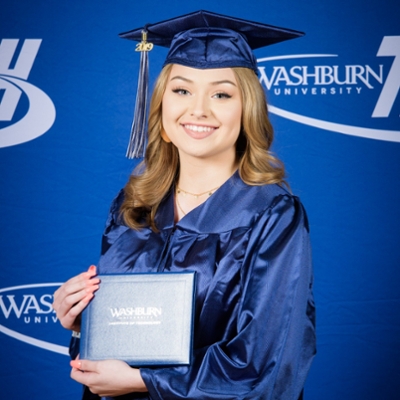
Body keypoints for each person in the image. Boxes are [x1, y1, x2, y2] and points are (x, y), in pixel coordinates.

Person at [52, 10, 316, 400]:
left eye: (222, 94)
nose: (198, 110)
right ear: (160, 110)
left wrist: (146, 382)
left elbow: (268, 364)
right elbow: (114, 349)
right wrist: (81, 324)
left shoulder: (271, 215)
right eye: (182, 90)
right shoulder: (134, 206)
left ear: (247, 112)